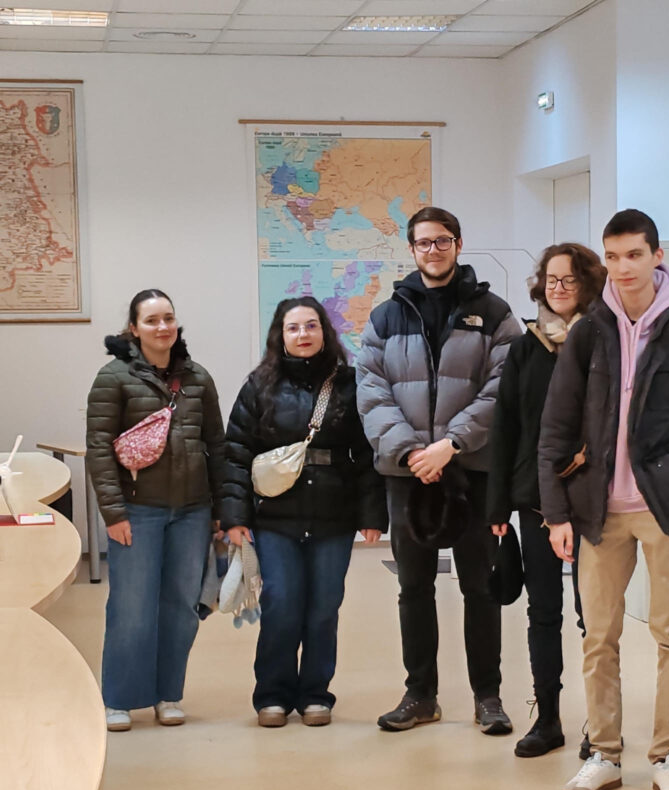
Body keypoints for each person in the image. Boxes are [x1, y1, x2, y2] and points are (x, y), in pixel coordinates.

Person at [538, 209, 669, 790]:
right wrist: (556, 513)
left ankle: (667, 756)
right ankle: (603, 754)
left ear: (658, 256)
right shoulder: (589, 332)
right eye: (613, 256)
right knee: (598, 637)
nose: (623, 267)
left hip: (665, 508)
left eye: (634, 254)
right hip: (598, 511)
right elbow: (555, 428)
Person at [356, 206, 521, 734]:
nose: (433, 250)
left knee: (480, 587)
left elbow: (503, 389)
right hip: (409, 475)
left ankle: (488, 697)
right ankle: (420, 695)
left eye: (442, 240)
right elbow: (371, 391)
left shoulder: (494, 313)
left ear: (458, 243)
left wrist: (450, 444)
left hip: (472, 470)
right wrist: (411, 452)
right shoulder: (386, 316)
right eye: (424, 242)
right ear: (411, 249)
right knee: (414, 588)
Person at [221, 297, 387, 727]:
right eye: (293, 327)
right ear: (280, 335)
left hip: (335, 516)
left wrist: (372, 515)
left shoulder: (349, 384)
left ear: (324, 332)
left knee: (324, 608)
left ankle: (316, 694)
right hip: (275, 518)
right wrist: (235, 517)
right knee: (281, 604)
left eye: (311, 326)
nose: (303, 334)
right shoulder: (259, 385)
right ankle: (272, 695)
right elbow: (236, 453)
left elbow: (367, 453)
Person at [86, 289, 226, 732]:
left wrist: (221, 510)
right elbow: (99, 451)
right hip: (137, 511)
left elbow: (217, 446)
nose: (162, 327)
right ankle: (120, 699)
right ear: (134, 328)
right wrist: (114, 514)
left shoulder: (198, 379)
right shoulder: (113, 378)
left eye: (168, 318)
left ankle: (169, 694)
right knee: (131, 608)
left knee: (181, 607)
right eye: (151, 320)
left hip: (192, 511)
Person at [487, 243, 605, 757]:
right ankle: (548, 718)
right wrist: (497, 505)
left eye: (569, 279)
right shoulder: (525, 347)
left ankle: (599, 723)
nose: (558, 288)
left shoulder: (605, 341)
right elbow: (505, 427)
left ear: (588, 285)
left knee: (593, 616)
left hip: (593, 501)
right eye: (551, 280)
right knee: (543, 613)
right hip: (536, 500)